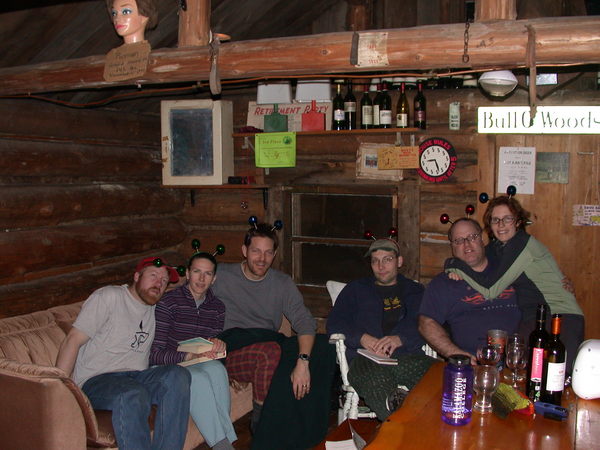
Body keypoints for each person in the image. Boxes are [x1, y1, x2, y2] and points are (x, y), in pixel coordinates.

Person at [213, 222, 336, 450]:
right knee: (270, 351)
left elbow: (304, 321)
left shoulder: (281, 283)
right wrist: (216, 366)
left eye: (268, 252)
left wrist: (303, 361)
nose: (262, 258)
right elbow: (191, 297)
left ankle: (307, 434)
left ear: (275, 254)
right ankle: (262, 434)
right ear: (244, 251)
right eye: (256, 251)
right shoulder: (221, 275)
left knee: (325, 346)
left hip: (267, 341)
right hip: (231, 347)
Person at [55, 257, 191, 450]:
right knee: (134, 394)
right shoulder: (109, 297)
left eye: (163, 280)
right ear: (136, 276)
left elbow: (189, 290)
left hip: (137, 377)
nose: (158, 283)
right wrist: (59, 391)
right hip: (97, 381)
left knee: (178, 375)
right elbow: (72, 340)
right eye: (153, 275)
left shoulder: (155, 307)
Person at [445, 195, 584, 372]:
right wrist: (452, 267)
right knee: (523, 372)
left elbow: (490, 290)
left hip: (561, 316)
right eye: (496, 220)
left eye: (507, 219)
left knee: (559, 377)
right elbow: (474, 254)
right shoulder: (500, 247)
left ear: (518, 222)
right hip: (534, 318)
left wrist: (453, 264)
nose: (501, 225)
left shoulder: (521, 244)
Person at [326, 238, 436, 420]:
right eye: (375, 260)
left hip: (406, 358)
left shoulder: (415, 291)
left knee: (439, 376)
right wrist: (362, 338)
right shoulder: (355, 290)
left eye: (387, 259)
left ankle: (420, 420)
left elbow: (427, 323)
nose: (381, 266)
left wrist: (401, 338)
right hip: (365, 359)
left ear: (399, 261)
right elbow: (335, 323)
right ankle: (399, 416)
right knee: (376, 379)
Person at [150, 252, 236, 450]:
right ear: (187, 274)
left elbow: (208, 347)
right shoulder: (168, 303)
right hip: (167, 365)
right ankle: (222, 445)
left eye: (207, 274)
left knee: (217, 370)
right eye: (197, 272)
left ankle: (227, 440)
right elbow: (155, 353)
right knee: (198, 379)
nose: (201, 278)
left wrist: (216, 344)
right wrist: (187, 355)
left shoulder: (217, 307)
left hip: (197, 361)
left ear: (214, 279)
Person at [419, 218, 522, 362]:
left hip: (517, 360)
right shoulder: (444, 283)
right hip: (471, 364)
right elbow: (426, 323)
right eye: (459, 241)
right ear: (452, 248)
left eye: (472, 237)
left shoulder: (509, 271)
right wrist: (457, 355)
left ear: (482, 239)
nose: (466, 244)